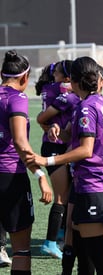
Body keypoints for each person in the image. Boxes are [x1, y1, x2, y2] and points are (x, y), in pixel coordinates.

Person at [25, 56, 103, 275]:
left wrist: (46, 160)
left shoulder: (86, 107)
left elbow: (86, 149)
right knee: (79, 241)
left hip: (93, 182)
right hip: (89, 181)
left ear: (73, 81)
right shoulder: (98, 102)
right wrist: (60, 132)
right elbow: (77, 136)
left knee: (94, 247)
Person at [0, 49, 53, 274]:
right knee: (21, 250)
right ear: (24, 77)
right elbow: (21, 143)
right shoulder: (17, 98)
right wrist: (41, 176)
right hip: (10, 177)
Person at [36, 60, 77, 259]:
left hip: (61, 147)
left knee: (67, 194)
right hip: (54, 147)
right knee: (61, 196)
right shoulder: (68, 97)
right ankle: (50, 243)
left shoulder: (53, 89)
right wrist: (58, 134)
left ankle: (60, 235)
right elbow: (42, 118)